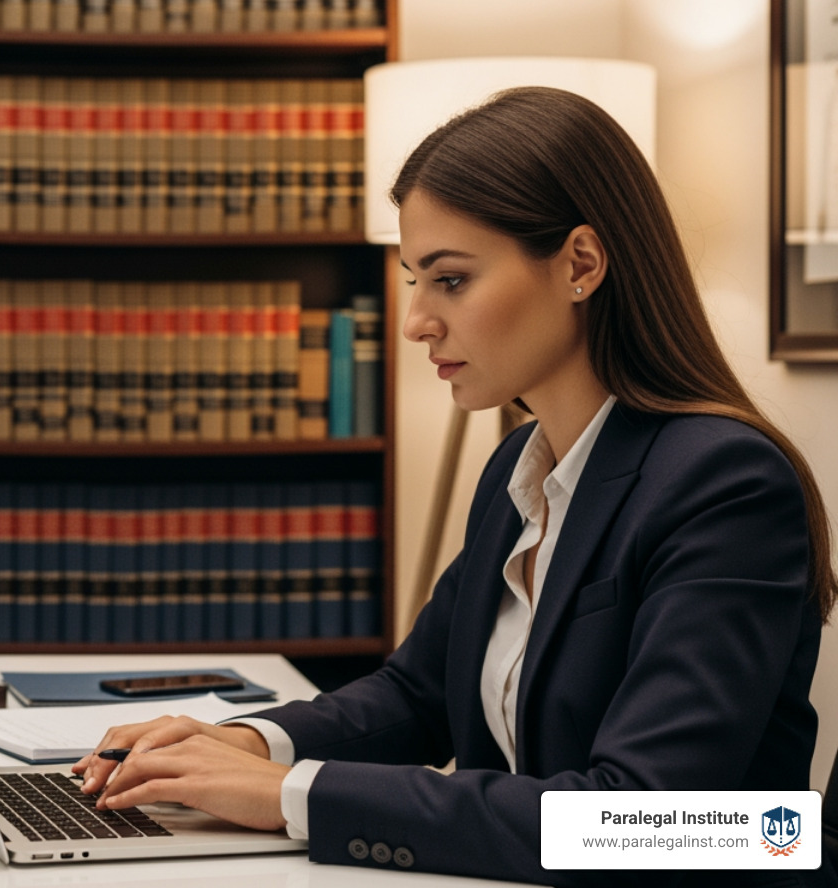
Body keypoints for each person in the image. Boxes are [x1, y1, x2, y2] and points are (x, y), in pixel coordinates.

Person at [72, 87, 836, 886]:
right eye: (414, 279)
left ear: (581, 264)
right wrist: (249, 744)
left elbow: (642, 820)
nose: (415, 323)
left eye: (451, 279)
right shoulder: (520, 467)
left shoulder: (726, 484)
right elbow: (420, 692)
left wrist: (294, 793)